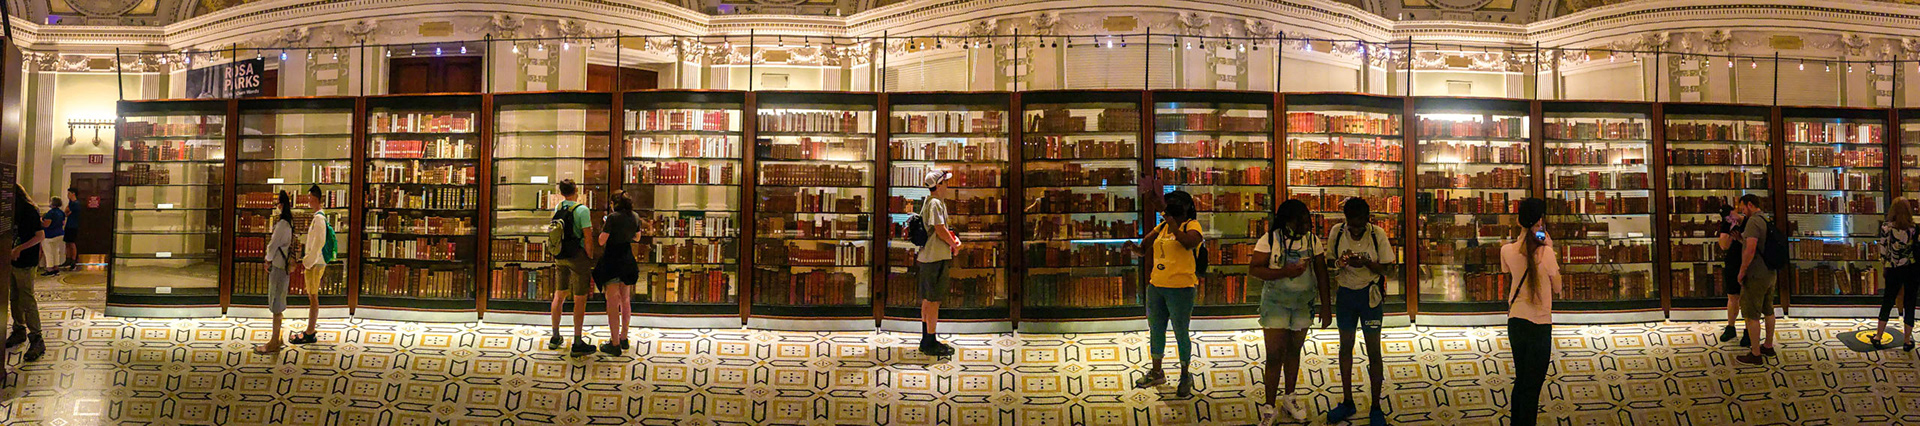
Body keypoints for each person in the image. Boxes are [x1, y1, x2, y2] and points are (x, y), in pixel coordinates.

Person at [1250, 199, 1332, 425]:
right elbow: (1255, 270)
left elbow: (1322, 273)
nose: (1307, 225)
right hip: (1275, 304)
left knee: (1294, 351)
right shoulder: (1269, 240)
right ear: (1288, 221)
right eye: (1302, 221)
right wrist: (1284, 272)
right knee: (1274, 355)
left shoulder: (1312, 241)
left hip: (1302, 305)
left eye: (1308, 220)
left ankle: (1290, 397)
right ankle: (1269, 406)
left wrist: (1326, 306)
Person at [1326, 197, 1394, 425]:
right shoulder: (1337, 232)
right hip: (1345, 295)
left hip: (1370, 297)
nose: (1354, 231)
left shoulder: (1378, 234)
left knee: (1374, 350)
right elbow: (1329, 262)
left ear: (1367, 220)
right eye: (1350, 226)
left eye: (1359, 226)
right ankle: (1347, 401)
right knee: (1346, 347)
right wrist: (1341, 262)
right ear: (1345, 221)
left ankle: (1376, 406)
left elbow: (1388, 268)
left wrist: (1366, 262)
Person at [1134, 190, 1202, 398]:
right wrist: (1134, 248)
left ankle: (1184, 375)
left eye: (1175, 203)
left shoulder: (1191, 226)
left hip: (1181, 289)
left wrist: (1165, 213)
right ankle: (1157, 371)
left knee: (1181, 331)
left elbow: (1188, 242)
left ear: (1187, 206)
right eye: (1168, 202)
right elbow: (1144, 247)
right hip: (1157, 286)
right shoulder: (1163, 226)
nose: (1171, 205)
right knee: (1156, 329)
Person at [1502, 197, 1558, 426]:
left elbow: (1510, 273)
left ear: (1518, 221)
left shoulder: (1506, 250)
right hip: (1540, 325)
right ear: (1540, 223)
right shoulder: (1547, 254)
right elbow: (1559, 287)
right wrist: (1548, 246)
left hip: (1516, 321)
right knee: (1532, 387)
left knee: (1521, 380)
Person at [547, 180, 596, 356]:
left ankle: (555, 336)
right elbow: (588, 236)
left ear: (561, 192)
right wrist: (589, 256)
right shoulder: (582, 210)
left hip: (560, 256)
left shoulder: (559, 207)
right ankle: (577, 340)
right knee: (579, 297)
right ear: (576, 190)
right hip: (577, 256)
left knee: (559, 294)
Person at [917, 170, 960, 357]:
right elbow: (940, 229)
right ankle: (930, 341)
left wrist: (952, 239)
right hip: (935, 258)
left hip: (928, 257)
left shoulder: (930, 202)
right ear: (939, 185)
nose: (948, 186)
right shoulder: (935, 203)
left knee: (927, 300)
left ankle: (927, 339)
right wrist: (954, 245)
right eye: (946, 182)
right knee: (933, 301)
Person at [593, 192, 640, 356]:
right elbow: (637, 237)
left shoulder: (612, 218)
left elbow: (601, 240)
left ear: (613, 203)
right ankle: (624, 337)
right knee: (625, 299)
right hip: (627, 259)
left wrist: (605, 225)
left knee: (612, 302)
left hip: (612, 260)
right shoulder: (634, 216)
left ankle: (614, 343)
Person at [4, 185, 45, 364]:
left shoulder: (28, 210)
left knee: (27, 298)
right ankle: (18, 329)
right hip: (11, 261)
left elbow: (40, 235)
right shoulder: (8, 209)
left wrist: (19, 248)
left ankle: (36, 338)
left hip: (26, 261)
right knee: (14, 296)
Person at [1734, 194, 1778, 365]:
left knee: (1752, 314)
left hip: (1755, 274)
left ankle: (1755, 353)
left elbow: (1751, 250)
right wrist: (1741, 240)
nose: (1743, 213)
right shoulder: (1766, 219)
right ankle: (1768, 345)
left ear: (1750, 205)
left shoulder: (1753, 222)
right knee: (1768, 310)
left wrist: (1742, 271)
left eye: (1743, 208)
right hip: (1769, 273)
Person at [253, 191, 296, 355]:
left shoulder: (282, 224)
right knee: (280, 298)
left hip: (278, 265)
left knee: (276, 302)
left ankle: (273, 342)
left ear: (282, 205)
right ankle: (277, 338)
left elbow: (272, 245)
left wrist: (267, 259)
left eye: (278, 203)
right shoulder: (289, 223)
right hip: (283, 265)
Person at [288, 185, 331, 345]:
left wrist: (308, 261)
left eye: (309, 198)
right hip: (315, 262)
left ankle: (310, 331)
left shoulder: (319, 219)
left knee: (313, 297)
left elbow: (319, 242)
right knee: (312, 296)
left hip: (316, 263)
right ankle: (310, 330)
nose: (307, 201)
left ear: (314, 198)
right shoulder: (318, 217)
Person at [1876, 198, 1919, 351]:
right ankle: (1907, 340)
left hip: (1892, 268)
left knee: (1888, 300)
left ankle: (1878, 336)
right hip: (1911, 269)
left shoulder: (1886, 227)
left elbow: (1883, 250)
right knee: (1909, 303)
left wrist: (1884, 266)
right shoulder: (1913, 228)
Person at [1715, 203, 1747, 346]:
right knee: (1732, 296)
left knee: (1747, 297)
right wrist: (1731, 233)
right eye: (1726, 217)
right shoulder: (1726, 224)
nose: (1729, 218)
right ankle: (1731, 327)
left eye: (1730, 214)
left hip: (1747, 262)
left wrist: (1741, 238)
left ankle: (1749, 330)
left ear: (1736, 210)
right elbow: (1723, 246)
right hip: (1732, 263)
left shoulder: (1748, 221)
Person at [37, 197, 64, 277]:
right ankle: (56, 267)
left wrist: (41, 220)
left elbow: (46, 224)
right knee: (56, 251)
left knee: (48, 252)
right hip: (59, 233)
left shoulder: (50, 213)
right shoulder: (61, 212)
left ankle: (49, 268)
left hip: (49, 235)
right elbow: (63, 223)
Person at [60, 188, 78, 271]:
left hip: (73, 226)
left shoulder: (76, 204)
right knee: (67, 243)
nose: (68, 195)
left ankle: (73, 261)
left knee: (72, 243)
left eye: (69, 193)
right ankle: (68, 259)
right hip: (69, 225)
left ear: (73, 193)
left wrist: (67, 212)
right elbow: (66, 213)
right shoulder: (71, 203)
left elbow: (67, 211)